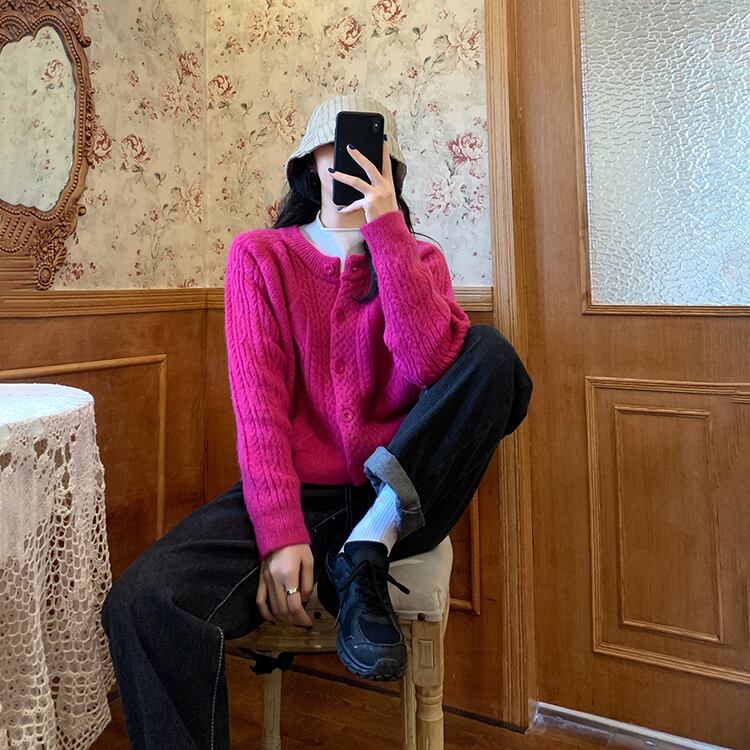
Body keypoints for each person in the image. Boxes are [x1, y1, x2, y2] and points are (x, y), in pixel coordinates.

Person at [100, 93, 533, 750]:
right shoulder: (260, 257)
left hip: (401, 500)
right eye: (336, 145)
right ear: (309, 163)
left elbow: (428, 365)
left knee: (493, 358)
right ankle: (351, 555)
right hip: (296, 495)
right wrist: (280, 534)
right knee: (143, 603)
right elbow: (260, 411)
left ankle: (367, 544)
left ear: (390, 165)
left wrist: (386, 231)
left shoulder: (419, 261)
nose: (352, 158)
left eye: (368, 146)